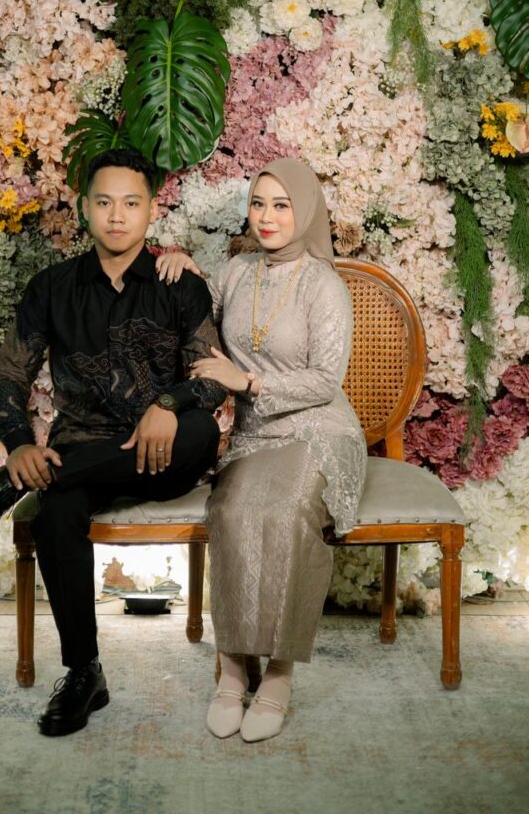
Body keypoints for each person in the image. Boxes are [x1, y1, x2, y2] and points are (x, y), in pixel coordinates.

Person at [0, 148, 226, 737]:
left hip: (165, 453)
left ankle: (7, 489)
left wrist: (168, 404)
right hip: (80, 452)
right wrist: (19, 444)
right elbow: (10, 374)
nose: (117, 216)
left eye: (131, 203)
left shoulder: (179, 285)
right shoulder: (51, 288)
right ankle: (84, 673)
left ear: (151, 209)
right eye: (104, 202)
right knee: (56, 513)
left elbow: (211, 379)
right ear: (84, 207)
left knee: (202, 432)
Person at [156, 158, 367, 743]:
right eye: (258, 204)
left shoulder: (324, 285)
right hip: (255, 434)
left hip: (318, 430)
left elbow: (325, 381)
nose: (267, 217)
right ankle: (231, 667)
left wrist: (246, 380)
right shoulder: (236, 272)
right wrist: (182, 264)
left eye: (282, 205)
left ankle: (278, 673)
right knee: (230, 511)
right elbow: (195, 313)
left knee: (287, 511)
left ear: (305, 212)